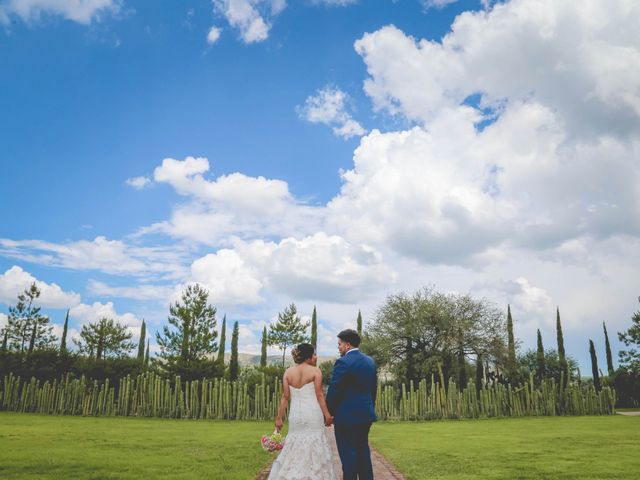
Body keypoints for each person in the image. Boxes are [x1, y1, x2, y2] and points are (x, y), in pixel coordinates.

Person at [268, 343, 339, 480]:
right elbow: (319, 395)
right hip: (313, 415)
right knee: (314, 443)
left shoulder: (288, 373)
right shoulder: (315, 371)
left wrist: (279, 418)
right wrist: (328, 416)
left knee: (294, 443)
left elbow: (285, 397)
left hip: (295, 415)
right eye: (314, 354)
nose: (316, 357)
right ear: (308, 356)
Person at [326, 329, 377, 480]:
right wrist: (369, 407)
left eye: (339, 344)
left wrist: (329, 412)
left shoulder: (343, 362)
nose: (338, 347)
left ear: (347, 345)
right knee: (363, 452)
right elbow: (373, 390)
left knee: (348, 455)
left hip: (346, 417)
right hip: (365, 415)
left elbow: (334, 390)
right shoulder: (370, 361)